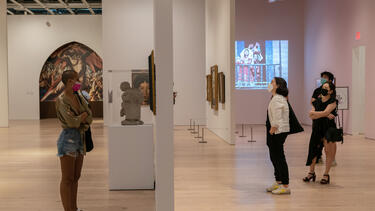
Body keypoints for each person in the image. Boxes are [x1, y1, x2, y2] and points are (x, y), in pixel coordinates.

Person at [56, 70, 93, 211]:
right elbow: (71, 123)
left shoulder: (78, 96)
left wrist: (80, 117)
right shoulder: (61, 100)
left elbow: (89, 115)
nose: (79, 82)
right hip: (68, 141)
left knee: (76, 177)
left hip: (81, 139)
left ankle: (74, 209)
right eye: (77, 80)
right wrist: (80, 117)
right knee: (67, 178)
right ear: (70, 81)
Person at [303, 82, 338, 184]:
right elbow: (311, 115)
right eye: (323, 87)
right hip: (317, 128)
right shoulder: (317, 101)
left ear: (331, 91)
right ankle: (311, 173)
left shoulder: (333, 101)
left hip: (328, 128)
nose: (324, 89)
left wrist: (320, 113)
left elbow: (319, 113)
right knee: (313, 150)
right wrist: (325, 114)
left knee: (328, 152)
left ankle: (326, 175)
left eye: (326, 88)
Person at [266, 77, 291, 195]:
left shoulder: (277, 99)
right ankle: (279, 181)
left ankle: (285, 185)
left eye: (272, 82)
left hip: (278, 131)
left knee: (279, 157)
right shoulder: (276, 98)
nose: (270, 84)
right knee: (274, 156)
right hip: (276, 131)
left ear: (278, 86)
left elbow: (277, 116)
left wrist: (273, 128)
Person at [311, 71, 337, 166]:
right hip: (318, 119)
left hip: (329, 121)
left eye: (325, 77)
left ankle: (332, 159)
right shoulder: (317, 90)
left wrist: (325, 112)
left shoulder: (332, 90)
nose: (323, 79)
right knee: (318, 140)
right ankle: (318, 156)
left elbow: (332, 104)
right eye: (322, 77)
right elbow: (313, 102)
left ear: (330, 80)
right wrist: (324, 113)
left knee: (330, 140)